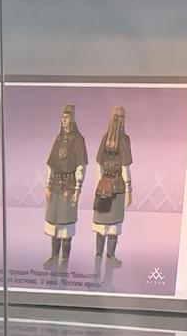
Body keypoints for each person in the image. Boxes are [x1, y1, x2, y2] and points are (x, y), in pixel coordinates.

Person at [43, 105, 87, 269]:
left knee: (66, 224)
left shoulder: (78, 140)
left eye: (67, 117)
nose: (64, 120)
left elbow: (81, 167)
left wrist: (78, 190)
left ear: (72, 119)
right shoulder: (58, 139)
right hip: (55, 186)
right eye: (62, 117)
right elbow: (51, 165)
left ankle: (64, 261)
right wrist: (48, 186)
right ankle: (54, 257)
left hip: (69, 187)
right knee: (54, 222)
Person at [92, 106, 133, 265]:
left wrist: (102, 182)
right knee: (110, 224)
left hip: (106, 185)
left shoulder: (108, 138)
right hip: (116, 187)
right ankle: (105, 256)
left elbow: (99, 165)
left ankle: (102, 255)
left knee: (110, 224)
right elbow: (125, 168)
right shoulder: (123, 140)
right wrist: (129, 190)